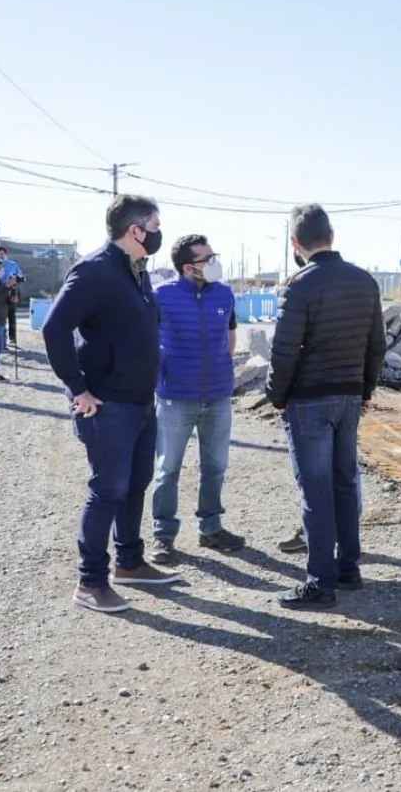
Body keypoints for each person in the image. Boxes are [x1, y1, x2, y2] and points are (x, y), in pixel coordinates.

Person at [42, 194, 177, 614]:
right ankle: (91, 582)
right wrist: (77, 387)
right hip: (106, 404)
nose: (158, 233)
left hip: (140, 401)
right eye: (155, 226)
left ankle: (131, 562)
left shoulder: (137, 273)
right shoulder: (95, 270)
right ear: (135, 230)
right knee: (108, 489)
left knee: (135, 484)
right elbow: (54, 328)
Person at [267, 204, 385, 610]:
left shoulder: (299, 286)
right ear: (332, 236)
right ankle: (348, 568)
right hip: (349, 396)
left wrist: (276, 396)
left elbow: (284, 352)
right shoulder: (364, 281)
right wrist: (365, 389)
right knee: (345, 482)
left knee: (316, 491)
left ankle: (320, 582)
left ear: (295, 244)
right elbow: (376, 345)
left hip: (309, 401)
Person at [148, 234, 245, 565]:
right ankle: (163, 535)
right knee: (168, 469)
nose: (214, 262)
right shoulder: (161, 297)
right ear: (188, 267)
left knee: (215, 466)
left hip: (217, 396)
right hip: (176, 397)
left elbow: (231, 334)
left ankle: (211, 528)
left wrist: (222, 369)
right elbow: (147, 341)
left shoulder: (224, 293)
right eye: (207, 258)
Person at [0, 246, 26, 344]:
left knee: (11, 315)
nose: (0, 256)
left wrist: (17, 279)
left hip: (11, 292)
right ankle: (0, 337)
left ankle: (12, 338)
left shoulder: (13, 264)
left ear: (5, 254)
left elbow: (21, 276)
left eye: (1, 254)